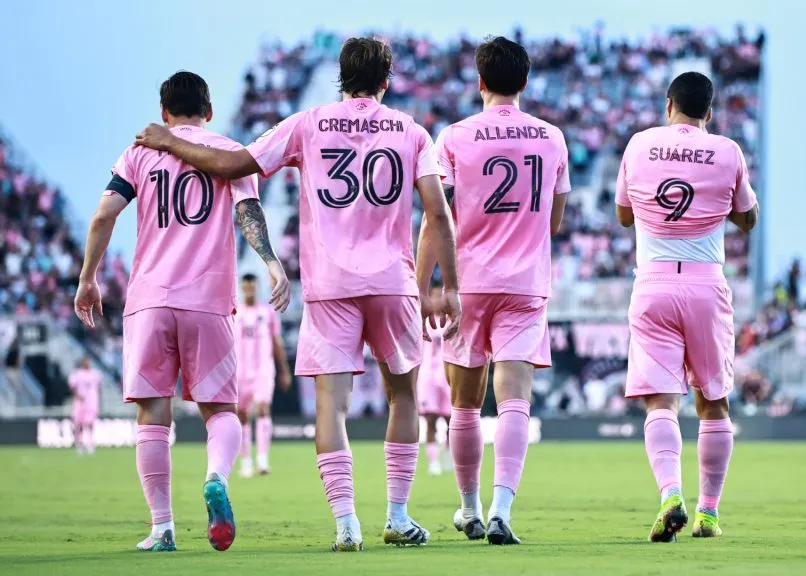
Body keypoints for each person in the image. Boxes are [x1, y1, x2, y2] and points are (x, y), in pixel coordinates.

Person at [134, 38, 461, 552]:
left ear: (340, 75)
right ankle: (398, 515)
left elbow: (234, 164)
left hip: (330, 285)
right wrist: (450, 286)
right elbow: (439, 214)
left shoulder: (307, 123)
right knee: (403, 395)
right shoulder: (413, 131)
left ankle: (346, 524)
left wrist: (171, 141)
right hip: (393, 282)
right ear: (386, 79)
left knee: (332, 404)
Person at [75, 71, 290, 553]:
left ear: (165, 111)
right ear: (208, 111)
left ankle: (162, 528)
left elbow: (104, 215)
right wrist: (272, 263)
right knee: (221, 411)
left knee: (153, 414)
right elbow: (248, 214)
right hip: (208, 301)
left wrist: (88, 278)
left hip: (149, 300)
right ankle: (216, 477)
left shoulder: (139, 151)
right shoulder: (228, 153)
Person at [418, 36, 570, 545]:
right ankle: (503, 508)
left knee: (463, 406)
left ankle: (469, 508)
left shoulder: (455, 136)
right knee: (514, 403)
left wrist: (431, 284)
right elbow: (555, 220)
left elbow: (436, 218)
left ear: (479, 81)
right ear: (525, 82)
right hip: (525, 284)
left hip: (470, 283)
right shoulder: (552, 138)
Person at [615, 71, 758, 541]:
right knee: (713, 402)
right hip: (704, 284)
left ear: (668, 104)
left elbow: (623, 215)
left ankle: (669, 494)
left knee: (661, 401)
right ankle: (709, 513)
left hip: (653, 281)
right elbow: (748, 218)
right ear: (709, 113)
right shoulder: (727, 151)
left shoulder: (638, 145)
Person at [235, 273, 292, 477]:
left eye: (252, 286)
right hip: (240, 371)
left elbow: (277, 342)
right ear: (242, 288)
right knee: (241, 415)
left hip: (263, 370)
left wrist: (284, 370)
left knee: (262, 409)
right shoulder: (235, 312)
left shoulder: (267, 312)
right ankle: (246, 462)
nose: (249, 289)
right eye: (246, 286)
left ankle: (262, 460)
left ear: (257, 287)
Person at [418, 284, 452, 476]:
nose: (438, 299)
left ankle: (448, 456)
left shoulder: (451, 322)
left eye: (441, 295)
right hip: (427, 377)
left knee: (451, 420)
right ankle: (433, 462)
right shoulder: (422, 322)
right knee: (430, 420)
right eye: (434, 296)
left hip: (446, 375)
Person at [68, 357, 102, 456]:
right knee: (79, 425)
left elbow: (98, 388)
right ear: (82, 363)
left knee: (90, 424)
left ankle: (91, 445)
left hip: (91, 403)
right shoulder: (77, 374)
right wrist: (78, 395)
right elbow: (73, 387)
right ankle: (79, 446)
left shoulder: (95, 374)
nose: (88, 363)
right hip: (80, 404)